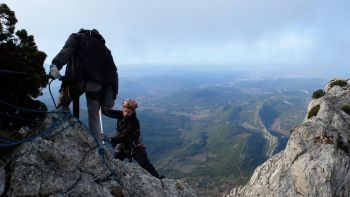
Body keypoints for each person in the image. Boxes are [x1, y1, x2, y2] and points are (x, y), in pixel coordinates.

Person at [49, 28, 118, 145]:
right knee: (94, 116)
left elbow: (66, 51)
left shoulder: (77, 37)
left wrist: (55, 65)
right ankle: (97, 145)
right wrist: (112, 96)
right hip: (97, 86)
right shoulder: (105, 49)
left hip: (78, 81)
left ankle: (54, 129)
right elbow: (113, 72)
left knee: (63, 103)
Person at [103, 99, 164, 179]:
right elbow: (108, 112)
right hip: (122, 147)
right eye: (124, 111)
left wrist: (110, 139)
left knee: (144, 163)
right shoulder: (121, 114)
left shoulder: (134, 122)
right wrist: (100, 105)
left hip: (134, 147)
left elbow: (124, 136)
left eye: (128, 112)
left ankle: (157, 177)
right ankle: (110, 176)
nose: (126, 113)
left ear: (133, 111)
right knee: (114, 162)